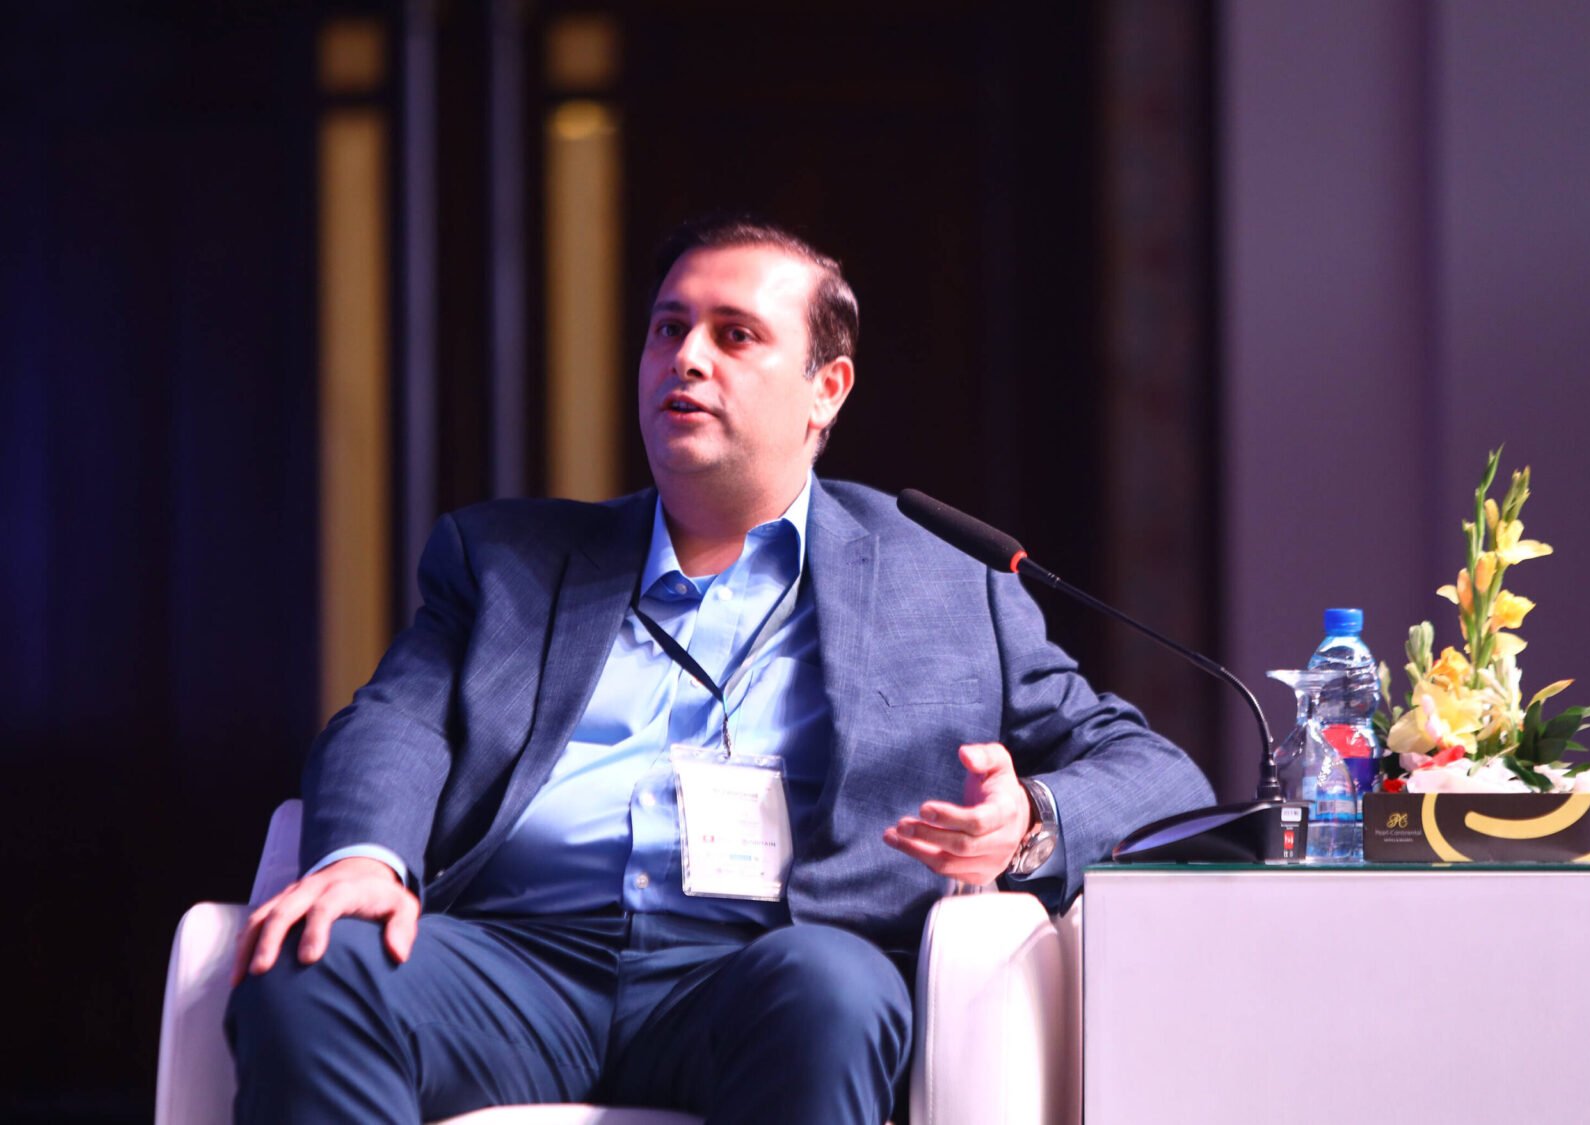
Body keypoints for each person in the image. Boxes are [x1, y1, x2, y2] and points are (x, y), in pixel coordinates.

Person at [226, 216, 1214, 1124]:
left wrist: (1027, 819)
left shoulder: (946, 579)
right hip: (519, 958)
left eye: (735, 335)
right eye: (668, 329)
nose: (687, 357)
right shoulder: (506, 559)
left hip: (760, 973)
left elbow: (1160, 776)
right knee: (315, 968)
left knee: (833, 991)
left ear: (827, 388)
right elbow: (393, 722)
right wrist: (363, 858)